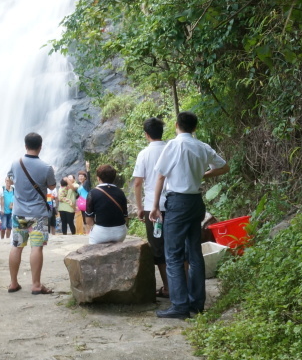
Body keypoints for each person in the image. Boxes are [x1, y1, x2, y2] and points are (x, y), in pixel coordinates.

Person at [150, 111, 229, 319]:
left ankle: (179, 305)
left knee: (174, 254)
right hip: (196, 202)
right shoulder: (202, 146)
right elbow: (224, 167)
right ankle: (197, 303)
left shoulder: (174, 145)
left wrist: (155, 206)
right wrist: (204, 174)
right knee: (194, 253)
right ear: (195, 127)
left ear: (176, 125)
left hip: (177, 202)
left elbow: (160, 176)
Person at [6, 132, 57, 295]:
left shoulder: (15, 163)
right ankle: (36, 285)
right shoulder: (46, 167)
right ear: (40, 147)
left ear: (25, 146)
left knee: (17, 246)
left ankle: (13, 283)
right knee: (36, 247)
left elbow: (10, 179)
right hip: (38, 214)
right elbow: (51, 187)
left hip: (20, 213)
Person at [132, 117, 170, 298]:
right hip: (174, 204)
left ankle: (168, 287)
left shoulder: (144, 154)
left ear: (146, 135)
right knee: (177, 245)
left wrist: (139, 207)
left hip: (152, 208)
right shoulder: (172, 149)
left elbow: (138, 183)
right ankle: (182, 285)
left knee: (158, 247)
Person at [84, 164, 128, 244]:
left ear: (98, 178)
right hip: (120, 233)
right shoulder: (120, 192)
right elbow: (125, 217)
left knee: (92, 248)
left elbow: (88, 221)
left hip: (101, 234)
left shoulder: (92, 193)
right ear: (114, 178)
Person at [77, 170, 93, 234]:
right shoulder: (80, 185)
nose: (80, 178)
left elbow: (89, 179)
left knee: (88, 217)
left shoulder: (86, 183)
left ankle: (90, 233)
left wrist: (88, 170)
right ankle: (87, 233)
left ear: (85, 177)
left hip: (87, 203)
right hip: (82, 204)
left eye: (82, 176)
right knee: (84, 219)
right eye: (79, 176)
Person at [1, 174, 15, 240]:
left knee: (9, 227)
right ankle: (2, 239)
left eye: (9, 181)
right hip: (4, 211)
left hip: (11, 211)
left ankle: (7, 239)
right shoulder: (2, 189)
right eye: (7, 181)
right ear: (5, 181)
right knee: (3, 227)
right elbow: (0, 199)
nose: (8, 182)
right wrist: (1, 209)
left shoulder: (14, 190)